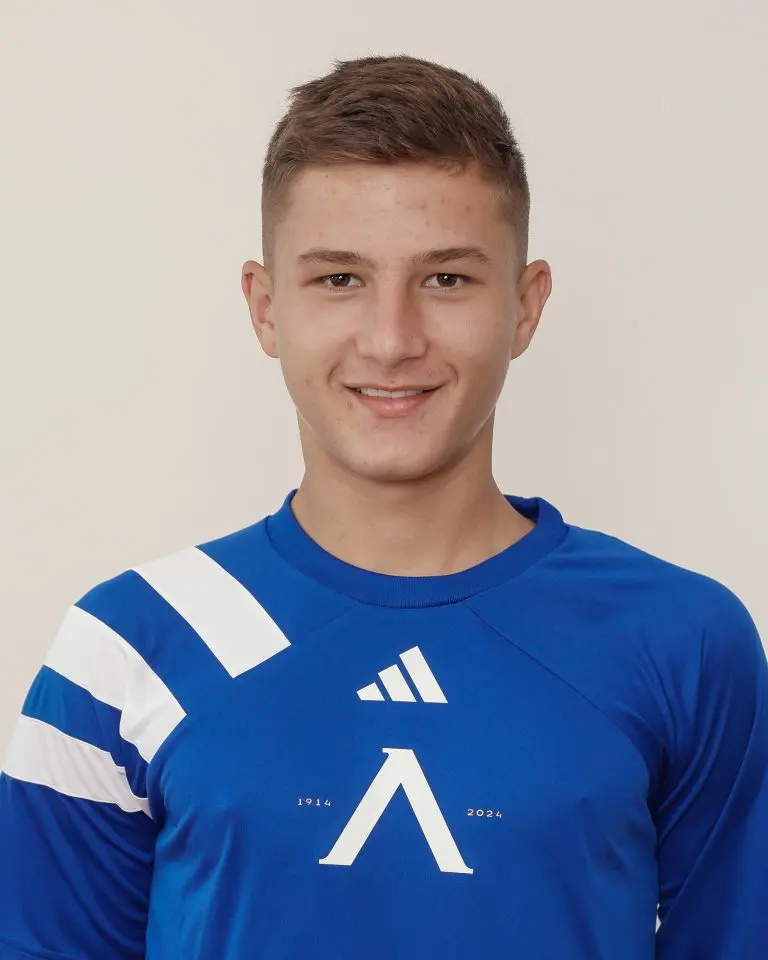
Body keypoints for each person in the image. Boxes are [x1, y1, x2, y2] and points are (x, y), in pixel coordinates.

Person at [1, 53, 766, 960]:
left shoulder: (683, 642)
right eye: (340, 279)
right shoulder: (129, 647)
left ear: (525, 308)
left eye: (446, 279)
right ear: (265, 307)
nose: (392, 340)